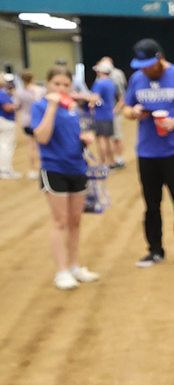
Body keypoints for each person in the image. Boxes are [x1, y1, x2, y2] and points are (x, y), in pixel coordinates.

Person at [124, 38, 174, 266]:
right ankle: (155, 250)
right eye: (141, 66)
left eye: (149, 64)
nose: (145, 70)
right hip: (147, 153)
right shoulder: (138, 79)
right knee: (151, 206)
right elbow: (127, 109)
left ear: (160, 59)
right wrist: (134, 112)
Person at [26, 65, 102, 290]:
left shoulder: (72, 109)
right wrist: (51, 106)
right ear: (48, 84)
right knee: (60, 222)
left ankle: (74, 266)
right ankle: (61, 271)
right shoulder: (40, 107)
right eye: (56, 84)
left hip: (77, 168)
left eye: (65, 85)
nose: (61, 88)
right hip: (54, 169)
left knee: (75, 221)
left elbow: (72, 137)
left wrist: (83, 140)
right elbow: (41, 137)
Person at [88, 64, 119, 167]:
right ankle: (112, 161)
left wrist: (86, 100)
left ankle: (102, 163)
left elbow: (94, 98)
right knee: (109, 139)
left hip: (100, 115)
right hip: (109, 114)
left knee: (101, 139)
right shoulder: (111, 83)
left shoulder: (99, 84)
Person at [15, 69, 41, 178]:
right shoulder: (39, 90)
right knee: (40, 147)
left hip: (25, 121)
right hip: (38, 121)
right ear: (32, 79)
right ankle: (41, 168)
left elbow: (17, 106)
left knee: (31, 147)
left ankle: (32, 170)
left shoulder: (19, 92)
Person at [0, 74, 17, 179]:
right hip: (6, 121)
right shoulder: (2, 94)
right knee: (6, 146)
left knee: (2, 145)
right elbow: (7, 107)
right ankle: (5, 170)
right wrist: (16, 105)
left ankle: (4, 169)